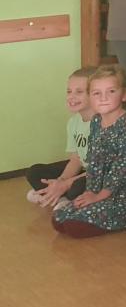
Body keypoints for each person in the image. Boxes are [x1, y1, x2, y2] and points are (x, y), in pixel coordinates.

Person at [52, 65, 126, 237]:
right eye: (96, 93)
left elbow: (122, 170)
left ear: (124, 94)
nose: (103, 98)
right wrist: (91, 192)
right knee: (60, 218)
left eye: (111, 91)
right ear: (90, 97)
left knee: (75, 225)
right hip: (103, 189)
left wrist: (99, 197)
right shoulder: (96, 121)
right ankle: (98, 208)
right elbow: (94, 162)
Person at [27, 68, 94, 208]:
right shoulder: (73, 122)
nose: (71, 96)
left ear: (95, 94)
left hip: (98, 174)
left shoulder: (104, 123)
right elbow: (76, 160)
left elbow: (103, 170)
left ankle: (55, 196)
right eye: (69, 91)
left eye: (79, 92)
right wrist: (60, 181)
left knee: (77, 187)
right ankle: (58, 196)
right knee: (35, 171)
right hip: (83, 169)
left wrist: (66, 184)